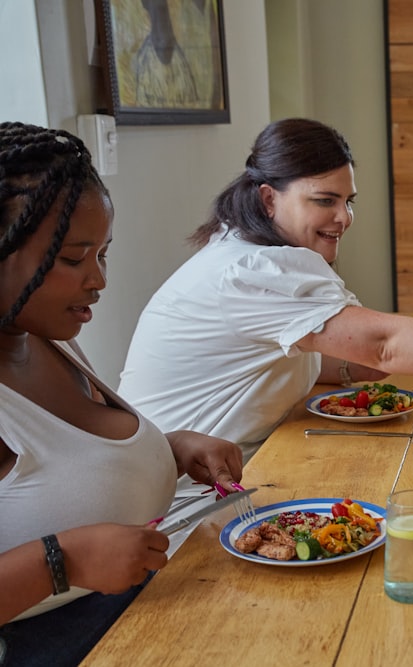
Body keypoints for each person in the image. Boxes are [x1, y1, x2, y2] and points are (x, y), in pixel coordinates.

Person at [117, 118, 413, 460]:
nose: (344, 218)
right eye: (324, 201)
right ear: (268, 198)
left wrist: (358, 370)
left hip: (240, 457)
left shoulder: (242, 246)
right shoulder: (258, 268)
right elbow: (383, 345)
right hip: (188, 492)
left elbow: (346, 356)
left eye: (347, 201)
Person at [0, 122, 244, 664]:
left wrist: (171, 450)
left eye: (102, 255)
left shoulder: (41, 336)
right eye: (71, 259)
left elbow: (62, 471)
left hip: (154, 613)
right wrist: (60, 562)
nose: (98, 279)